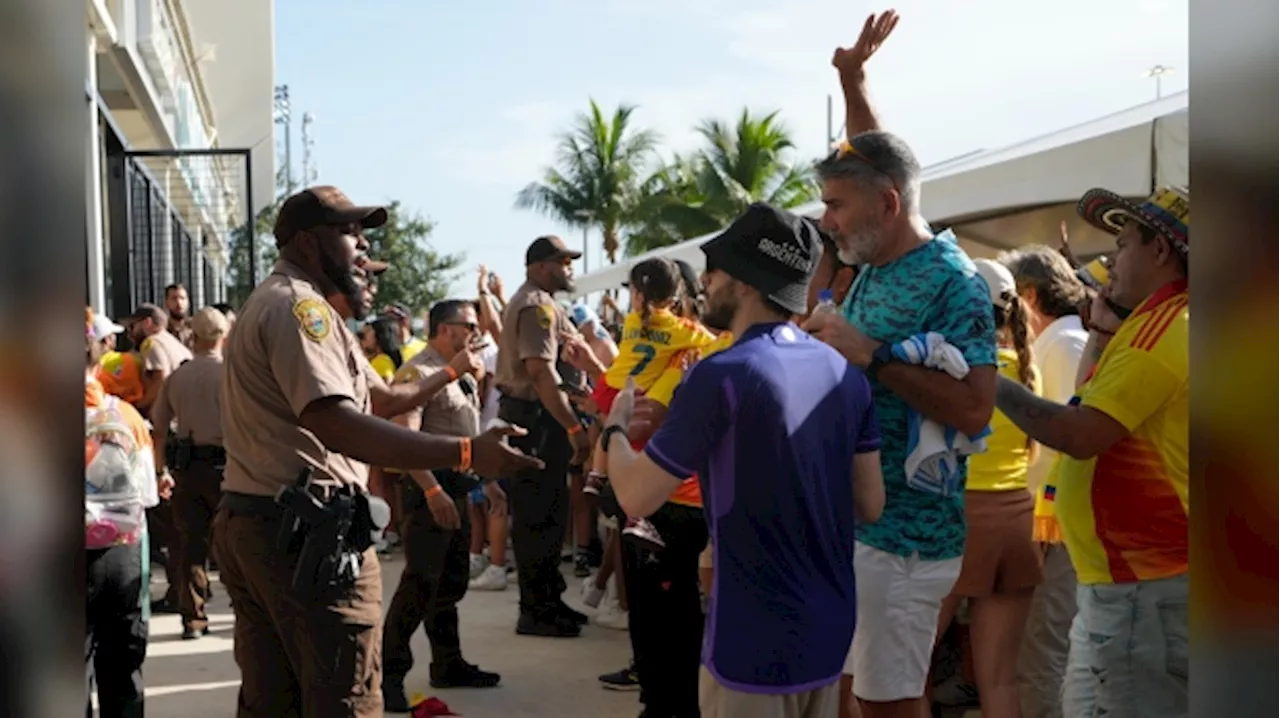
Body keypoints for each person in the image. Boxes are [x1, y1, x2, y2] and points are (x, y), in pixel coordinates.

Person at [213, 185, 540, 717]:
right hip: (304, 537)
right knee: (345, 699)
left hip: (268, 523)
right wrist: (464, 454)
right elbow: (335, 422)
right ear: (306, 241)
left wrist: (446, 375)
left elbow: (383, 398)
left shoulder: (295, 305)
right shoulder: (300, 309)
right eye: (348, 232)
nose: (362, 249)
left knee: (275, 700)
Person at [602, 203, 885, 718]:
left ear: (747, 281)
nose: (704, 281)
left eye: (714, 268)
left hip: (753, 642)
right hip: (828, 630)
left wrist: (615, 429)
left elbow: (636, 495)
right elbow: (870, 503)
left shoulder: (720, 375)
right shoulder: (848, 376)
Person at [804, 13, 998, 718]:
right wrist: (852, 81)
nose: (825, 221)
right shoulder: (880, 252)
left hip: (907, 541)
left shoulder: (955, 282)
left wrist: (872, 356)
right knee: (858, 698)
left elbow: (976, 407)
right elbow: (878, 161)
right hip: (863, 530)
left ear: (885, 208)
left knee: (888, 705)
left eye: (834, 206)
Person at [994, 186, 1190, 718]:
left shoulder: (1170, 328)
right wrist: (1104, 330)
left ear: (1160, 251)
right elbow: (1087, 402)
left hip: (1142, 590)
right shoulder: (1153, 324)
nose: (1109, 259)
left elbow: (1078, 433)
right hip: (1123, 588)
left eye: (1122, 243)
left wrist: (984, 379)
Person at [932, 259, 1044, 718]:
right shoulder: (1027, 366)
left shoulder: (948, 366)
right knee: (998, 678)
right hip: (1017, 522)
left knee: (907, 669)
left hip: (958, 522)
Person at [381, 299, 503, 711]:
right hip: (430, 490)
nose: (476, 331)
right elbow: (404, 440)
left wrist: (487, 482)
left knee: (449, 583)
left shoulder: (461, 373)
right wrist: (433, 492)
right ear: (443, 329)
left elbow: (466, 435)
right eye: (468, 324)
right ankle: (389, 675)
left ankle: (447, 662)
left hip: (458, 485)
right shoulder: (421, 372)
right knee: (419, 584)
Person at [997, 244, 1090, 718]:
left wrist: (1045, 525)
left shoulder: (1066, 345)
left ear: (1029, 295)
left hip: (1055, 532)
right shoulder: (1058, 345)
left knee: (1043, 653)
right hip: (1044, 529)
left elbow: (1070, 446)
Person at [492, 235, 594, 638]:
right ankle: (535, 611)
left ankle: (548, 600)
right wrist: (572, 427)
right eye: (561, 262)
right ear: (537, 267)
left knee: (549, 513)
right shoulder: (535, 305)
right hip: (534, 417)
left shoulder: (542, 302)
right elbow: (539, 372)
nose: (568, 268)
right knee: (537, 514)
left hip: (538, 414)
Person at [85, 307, 162, 718]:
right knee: (122, 666)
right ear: (100, 353)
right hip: (118, 554)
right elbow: (146, 494)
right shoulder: (125, 416)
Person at [149, 307, 230, 640]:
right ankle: (246, 611)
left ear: (192, 337)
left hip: (189, 468)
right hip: (230, 467)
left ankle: (193, 618)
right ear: (223, 337)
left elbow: (158, 428)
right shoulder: (233, 374)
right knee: (235, 543)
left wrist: (159, 470)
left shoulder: (177, 378)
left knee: (189, 545)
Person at [165, 283, 193, 349]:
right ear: (166, 303)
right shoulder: (162, 330)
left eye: (182, 298)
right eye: (174, 298)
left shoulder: (196, 329)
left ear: (188, 302)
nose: (179, 302)